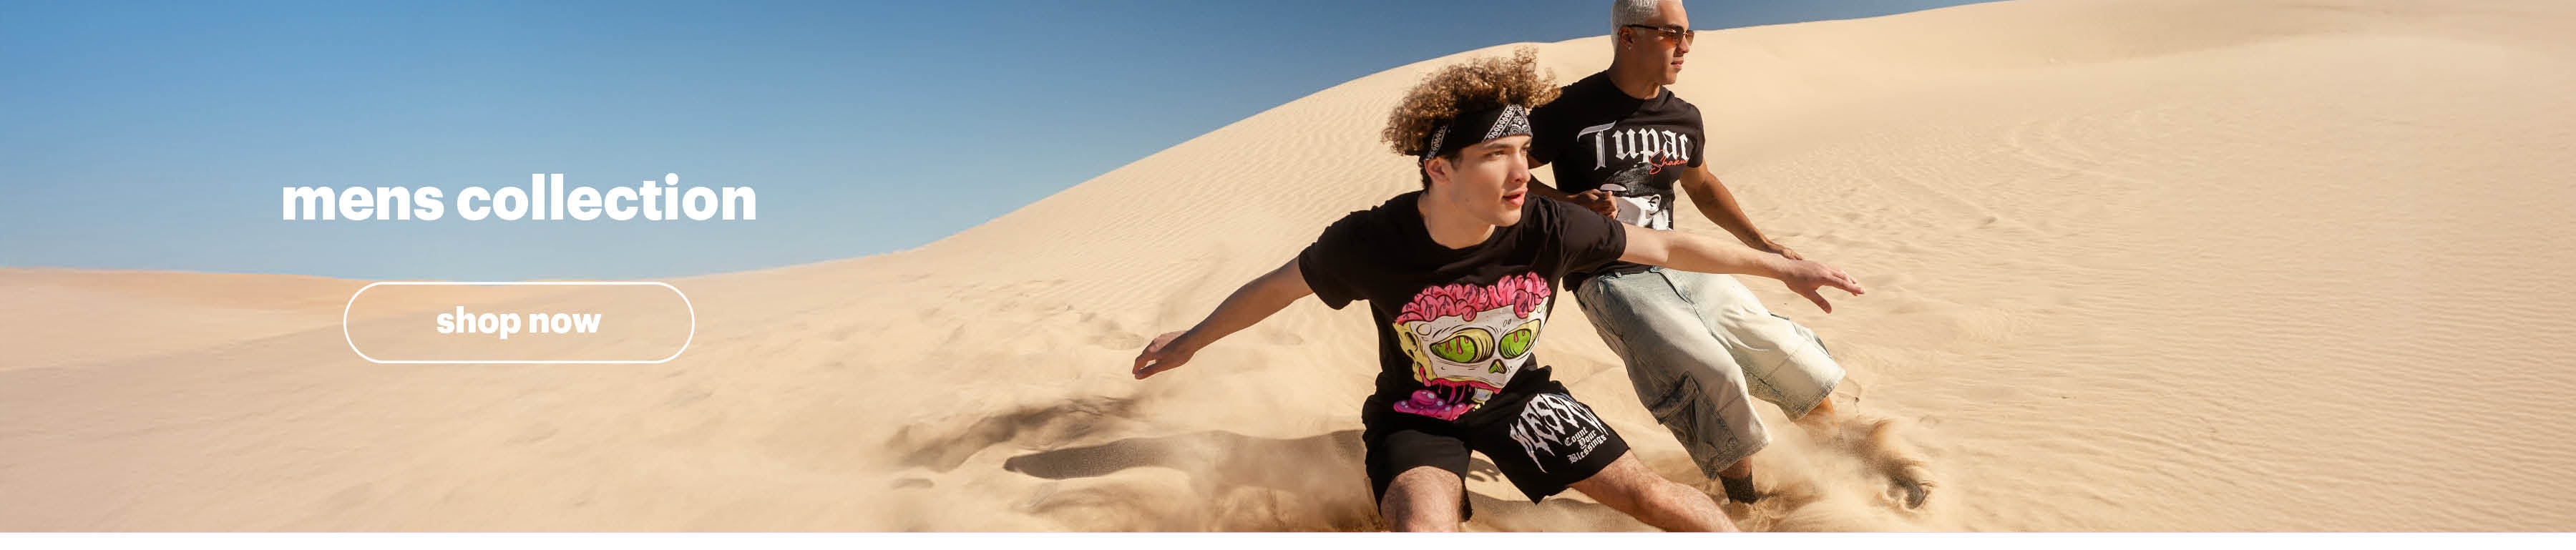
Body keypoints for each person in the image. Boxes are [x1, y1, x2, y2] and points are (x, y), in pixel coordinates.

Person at [1128, 49, 1865, 531]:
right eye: (1494, 155)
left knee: (1655, 498)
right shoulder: (1372, 240)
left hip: (1522, 399)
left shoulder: (1548, 223)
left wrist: (1783, 267)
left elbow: (1668, 244)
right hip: (1418, 416)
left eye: (1523, 151)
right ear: (1440, 168)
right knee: (1424, 526)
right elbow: (1278, 288)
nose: (1521, 173)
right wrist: (1191, 341)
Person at [1521, 0, 1936, 508]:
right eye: (1672, 34)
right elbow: (1505, 170)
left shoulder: (1682, 116)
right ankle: (1744, 504)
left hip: (1679, 260)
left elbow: (1702, 186)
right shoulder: (1569, 108)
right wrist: (1568, 203)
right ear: (1628, 37)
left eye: (1690, 34)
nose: (1686, 46)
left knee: (1789, 357)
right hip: (1607, 276)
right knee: (1710, 374)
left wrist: (1763, 244)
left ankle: (1844, 467)